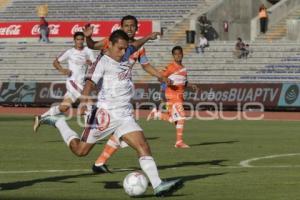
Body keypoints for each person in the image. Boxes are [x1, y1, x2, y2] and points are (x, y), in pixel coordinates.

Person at [38, 30, 183, 197]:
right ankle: (59, 121)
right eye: (120, 49)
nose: (123, 52)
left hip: (124, 115)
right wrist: (84, 102)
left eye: (125, 49)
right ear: (110, 45)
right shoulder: (102, 61)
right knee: (80, 151)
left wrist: (148, 38)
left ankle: (158, 185)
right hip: (104, 114)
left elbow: (135, 45)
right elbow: (90, 83)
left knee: (142, 145)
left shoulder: (125, 52)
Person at [83, 15, 170, 173]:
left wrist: (159, 75)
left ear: (137, 28)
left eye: (132, 26)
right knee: (120, 131)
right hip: (107, 92)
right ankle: (99, 162)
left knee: (122, 130)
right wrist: (88, 38)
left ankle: (99, 163)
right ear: (121, 27)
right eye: (126, 25)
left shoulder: (137, 48)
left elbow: (146, 65)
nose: (129, 28)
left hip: (121, 95)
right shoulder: (111, 41)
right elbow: (92, 45)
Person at [33, 32, 96, 132]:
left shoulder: (88, 51)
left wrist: (91, 63)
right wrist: (62, 70)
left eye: (81, 39)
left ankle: (40, 117)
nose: (80, 41)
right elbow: (55, 62)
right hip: (73, 82)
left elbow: (94, 64)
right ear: (74, 40)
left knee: (64, 108)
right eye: (78, 39)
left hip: (82, 83)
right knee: (88, 103)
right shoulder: (70, 52)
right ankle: (88, 133)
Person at [147, 46, 197, 148]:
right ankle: (179, 142)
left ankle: (156, 114)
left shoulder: (183, 68)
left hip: (179, 96)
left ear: (182, 54)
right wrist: (165, 80)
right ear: (173, 56)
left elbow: (183, 82)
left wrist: (190, 85)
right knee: (182, 116)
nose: (178, 55)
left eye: (179, 53)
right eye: (176, 54)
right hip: (172, 96)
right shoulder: (170, 67)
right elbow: (160, 77)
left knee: (173, 119)